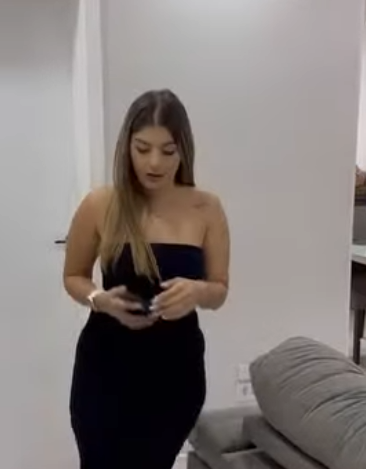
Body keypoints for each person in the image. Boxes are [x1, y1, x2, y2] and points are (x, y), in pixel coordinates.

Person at [63, 89, 230, 469]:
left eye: (168, 151)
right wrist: (99, 299)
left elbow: (219, 290)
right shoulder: (100, 204)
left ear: (183, 150)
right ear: (127, 147)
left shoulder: (206, 208)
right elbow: (73, 276)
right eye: (143, 149)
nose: (154, 162)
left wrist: (198, 291)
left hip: (176, 371)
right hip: (105, 368)